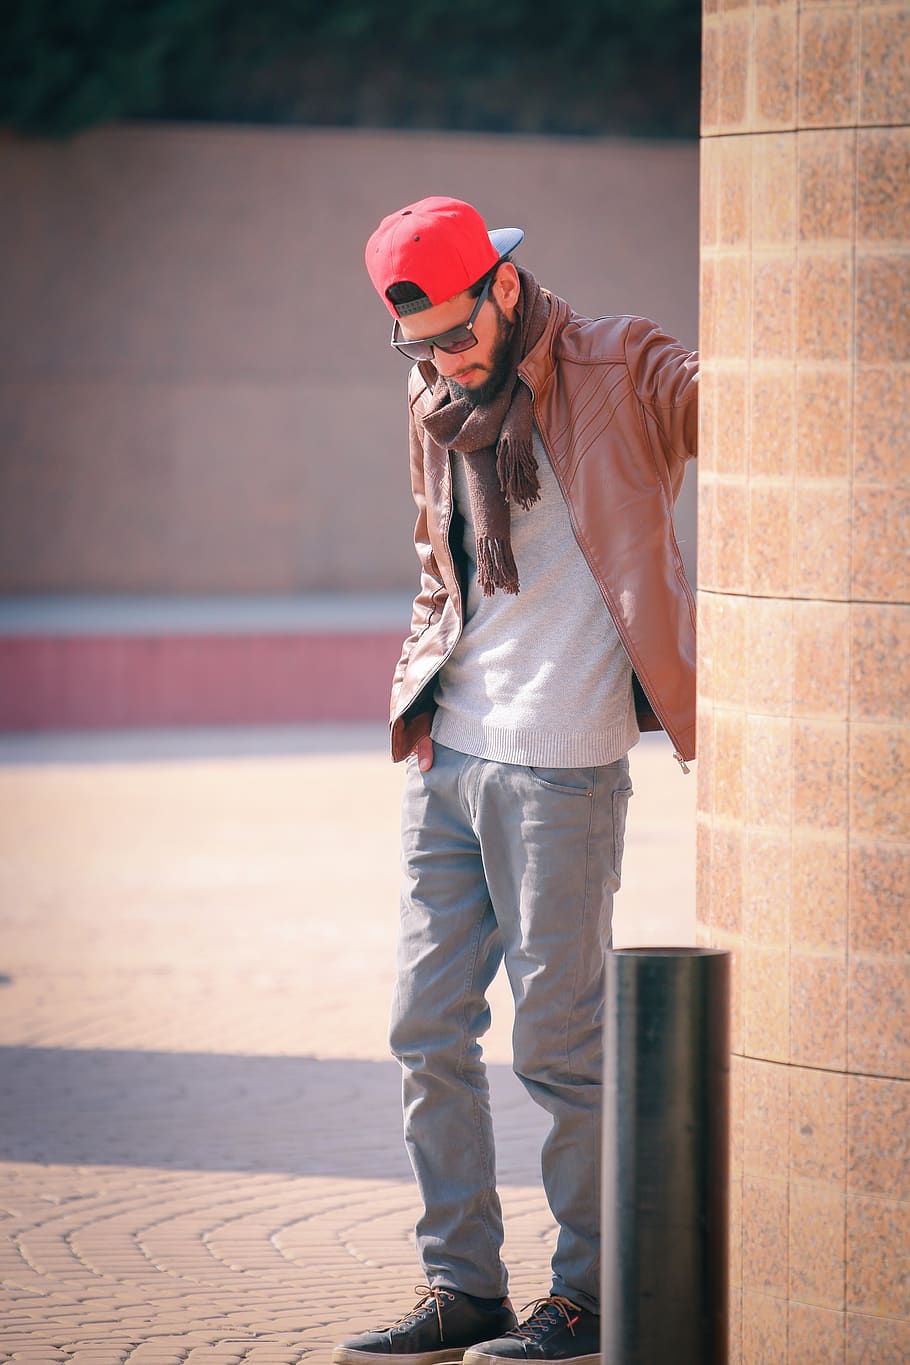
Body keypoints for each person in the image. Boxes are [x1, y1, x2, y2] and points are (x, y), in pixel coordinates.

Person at [334, 196, 697, 1365]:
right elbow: (435, 562)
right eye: (417, 345)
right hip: (454, 753)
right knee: (423, 1030)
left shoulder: (619, 363)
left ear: (500, 283)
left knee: (556, 1044)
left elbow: (754, 398)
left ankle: (589, 1295)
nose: (441, 360)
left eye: (453, 332)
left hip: (563, 772)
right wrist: (420, 694)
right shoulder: (429, 398)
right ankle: (464, 1289)